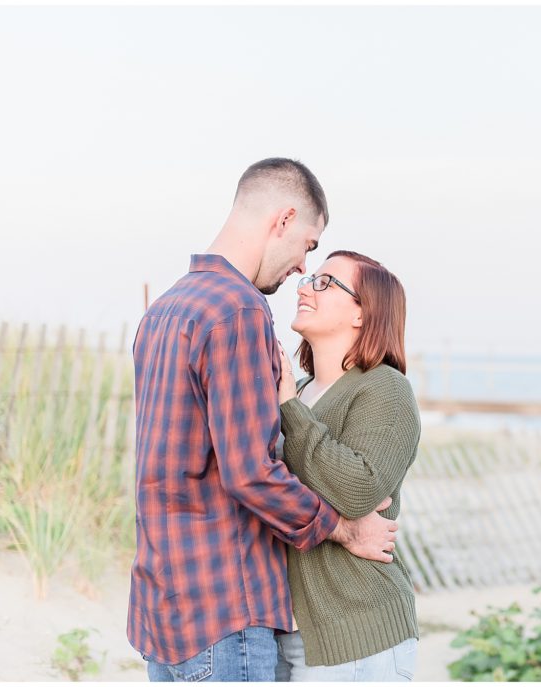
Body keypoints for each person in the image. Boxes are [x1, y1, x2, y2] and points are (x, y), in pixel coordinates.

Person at [127, 159, 398, 682]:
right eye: (308, 246)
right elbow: (249, 473)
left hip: (162, 608)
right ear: (284, 219)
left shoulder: (164, 310)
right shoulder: (240, 310)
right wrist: (344, 531)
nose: (301, 267)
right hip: (225, 608)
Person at [272, 250, 421, 681]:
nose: (304, 287)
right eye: (308, 279)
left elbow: (358, 490)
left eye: (325, 282)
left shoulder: (385, 389)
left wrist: (288, 407)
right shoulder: (297, 390)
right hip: (292, 631)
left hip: (358, 630)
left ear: (363, 313)